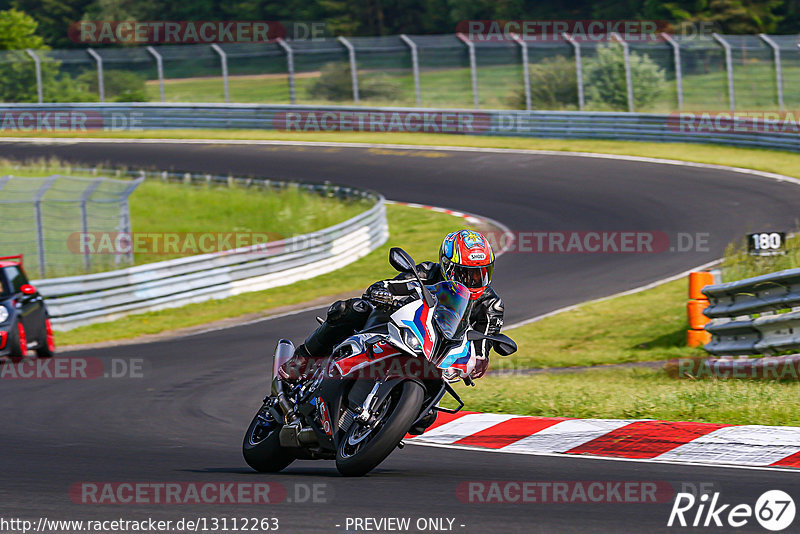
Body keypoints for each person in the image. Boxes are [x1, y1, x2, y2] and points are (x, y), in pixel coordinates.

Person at [280, 229, 505, 385]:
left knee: (424, 420)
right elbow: (399, 284)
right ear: (447, 265)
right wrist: (383, 290)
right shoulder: (428, 271)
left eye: (482, 272)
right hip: (406, 327)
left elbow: (482, 345)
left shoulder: (490, 304)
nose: (474, 280)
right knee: (351, 309)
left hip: (439, 355)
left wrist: (479, 361)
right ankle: (302, 359)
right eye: (467, 273)